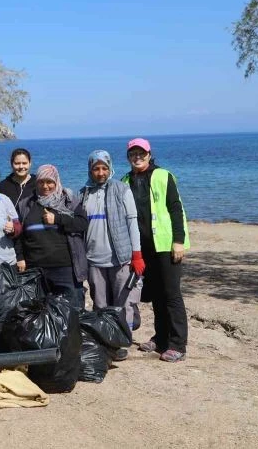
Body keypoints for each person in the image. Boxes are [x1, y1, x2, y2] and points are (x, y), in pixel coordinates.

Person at [123, 138, 190, 363]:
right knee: (156, 296)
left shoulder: (163, 176)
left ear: (149, 155)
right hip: (143, 248)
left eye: (141, 153)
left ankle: (178, 344)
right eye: (133, 154)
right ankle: (160, 338)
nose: (137, 157)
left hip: (165, 244)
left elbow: (176, 208)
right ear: (128, 157)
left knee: (171, 295)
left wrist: (178, 241)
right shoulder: (125, 180)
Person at [79, 150, 144, 360]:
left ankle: (121, 341)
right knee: (100, 305)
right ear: (90, 170)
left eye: (104, 168)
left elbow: (132, 222)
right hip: (94, 259)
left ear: (110, 168)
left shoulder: (121, 189)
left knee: (123, 304)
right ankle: (105, 343)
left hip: (120, 257)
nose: (100, 173)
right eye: (96, 168)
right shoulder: (84, 193)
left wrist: (137, 254)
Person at [15, 165, 88, 306]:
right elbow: (19, 234)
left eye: (49, 182)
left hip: (65, 268)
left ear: (56, 182)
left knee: (72, 312)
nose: (45, 186)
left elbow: (82, 223)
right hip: (35, 269)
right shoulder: (26, 204)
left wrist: (58, 219)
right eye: (41, 182)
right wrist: (20, 257)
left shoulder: (68, 201)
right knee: (39, 314)